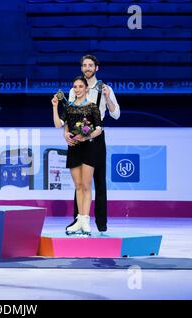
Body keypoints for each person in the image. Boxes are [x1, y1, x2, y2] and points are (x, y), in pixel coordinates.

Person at [66, 55, 120, 232]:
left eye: (91, 65)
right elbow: (68, 115)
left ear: (97, 68)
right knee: (80, 182)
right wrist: (67, 133)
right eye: (84, 65)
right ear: (81, 68)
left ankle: (101, 223)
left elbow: (116, 114)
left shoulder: (105, 88)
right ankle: (78, 219)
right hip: (77, 137)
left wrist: (107, 97)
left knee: (99, 180)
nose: (87, 68)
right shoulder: (75, 89)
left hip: (96, 136)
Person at [52, 76, 103, 235]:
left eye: (81, 86)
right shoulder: (69, 107)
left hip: (89, 148)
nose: (78, 89)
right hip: (74, 148)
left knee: (87, 185)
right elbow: (59, 125)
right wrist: (55, 107)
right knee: (78, 186)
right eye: (75, 86)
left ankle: (86, 220)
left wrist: (87, 137)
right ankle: (79, 220)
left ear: (86, 89)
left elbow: (99, 129)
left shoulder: (92, 107)